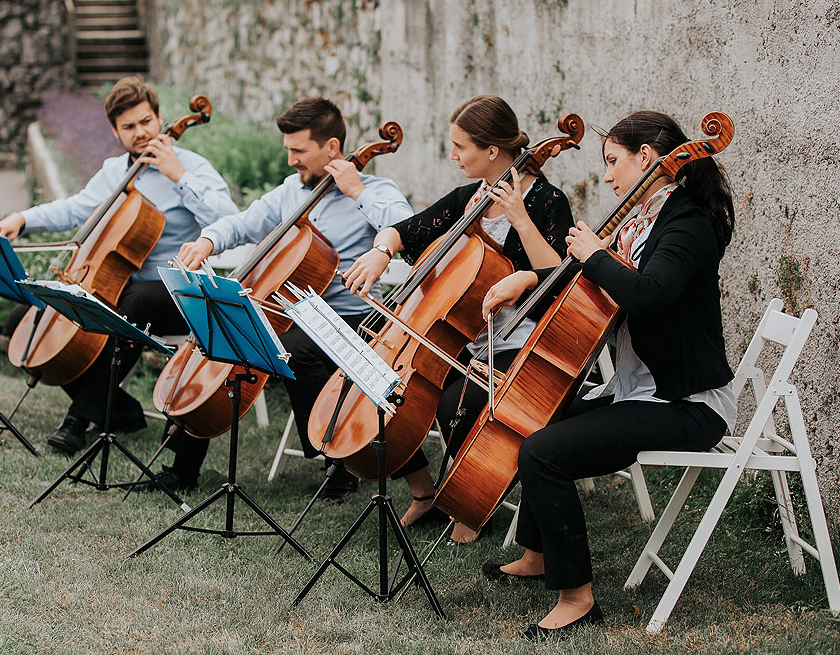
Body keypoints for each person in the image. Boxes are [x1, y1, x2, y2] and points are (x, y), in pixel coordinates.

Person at [477, 110, 736, 638]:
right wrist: (527, 277)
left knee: (542, 452)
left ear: (648, 159)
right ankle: (538, 554)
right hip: (638, 390)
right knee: (536, 412)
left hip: (686, 404)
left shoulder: (687, 223)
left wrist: (596, 254)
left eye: (614, 162)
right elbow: (587, 281)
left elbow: (648, 296)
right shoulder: (642, 222)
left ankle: (577, 599)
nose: (609, 177)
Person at [145, 97, 413, 499]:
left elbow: (406, 228)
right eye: (287, 149)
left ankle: (339, 462)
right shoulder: (292, 191)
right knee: (226, 336)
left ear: (332, 149)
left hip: (350, 321)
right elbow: (243, 222)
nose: (290, 160)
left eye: (298, 150)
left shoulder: (375, 190)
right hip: (292, 314)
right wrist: (208, 239)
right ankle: (183, 467)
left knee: (291, 351)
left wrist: (356, 191)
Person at [343, 94, 573, 542]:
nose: (452, 156)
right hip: (463, 337)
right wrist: (379, 251)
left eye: (459, 146)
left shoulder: (547, 200)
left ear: (491, 151)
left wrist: (519, 218)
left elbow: (558, 281)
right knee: (385, 386)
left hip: (520, 340)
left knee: (454, 403)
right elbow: (407, 230)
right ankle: (426, 491)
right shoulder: (469, 198)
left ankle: (471, 500)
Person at [0, 77, 239, 453]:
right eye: (129, 127)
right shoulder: (114, 172)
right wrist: (22, 220)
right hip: (119, 286)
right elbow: (75, 209)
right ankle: (119, 410)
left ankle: (79, 419)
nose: (140, 133)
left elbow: (228, 220)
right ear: (115, 131)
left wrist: (179, 176)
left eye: (146, 122)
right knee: (25, 319)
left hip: (177, 294)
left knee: (134, 303)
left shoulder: (192, 167)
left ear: (159, 118)